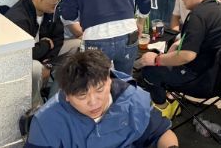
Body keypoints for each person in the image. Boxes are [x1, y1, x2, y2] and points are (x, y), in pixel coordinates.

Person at [25, 50, 178, 148]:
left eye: (99, 90)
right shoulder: (47, 121)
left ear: (109, 79)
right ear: (66, 95)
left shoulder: (131, 98)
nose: (94, 102)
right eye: (82, 95)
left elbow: (160, 133)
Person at [140, 0, 221, 117]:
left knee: (149, 70)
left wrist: (156, 60)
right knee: (169, 55)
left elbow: (187, 56)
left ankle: (164, 109)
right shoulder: (218, 9)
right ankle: (172, 100)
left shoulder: (198, 15)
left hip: (205, 81)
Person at [6, 0, 80, 107]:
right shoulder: (19, 18)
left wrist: (49, 63)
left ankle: (54, 99)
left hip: (42, 55)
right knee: (35, 68)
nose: (57, 2)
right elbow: (25, 54)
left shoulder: (52, 11)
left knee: (78, 45)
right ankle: (35, 106)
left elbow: (58, 39)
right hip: (23, 60)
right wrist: (45, 44)